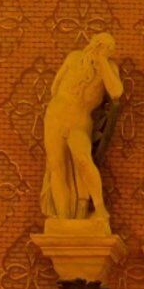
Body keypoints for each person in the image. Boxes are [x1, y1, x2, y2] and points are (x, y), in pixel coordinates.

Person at [37, 34, 122, 227]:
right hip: (56, 116)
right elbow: (55, 87)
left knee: (83, 159)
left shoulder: (109, 68)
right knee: (57, 166)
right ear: (95, 44)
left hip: (80, 121)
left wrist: (102, 62)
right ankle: (64, 217)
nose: (107, 51)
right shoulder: (74, 58)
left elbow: (116, 92)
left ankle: (100, 208)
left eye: (110, 49)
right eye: (104, 46)